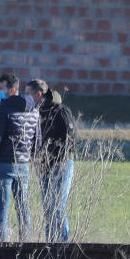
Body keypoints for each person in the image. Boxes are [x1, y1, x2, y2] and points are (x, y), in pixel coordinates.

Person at [0, 73, 41, 243]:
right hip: (23, 165)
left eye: (1, 89)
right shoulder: (33, 109)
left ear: (11, 90)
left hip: (4, 164)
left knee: (2, 208)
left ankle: (0, 248)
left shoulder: (4, 108)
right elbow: (37, 140)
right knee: (23, 207)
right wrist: (29, 157)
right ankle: (26, 244)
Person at [25, 79, 78, 243]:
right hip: (43, 167)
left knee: (57, 207)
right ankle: (50, 244)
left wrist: (56, 157)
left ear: (39, 94)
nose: (25, 97)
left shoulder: (60, 111)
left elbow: (72, 140)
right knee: (48, 209)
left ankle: (62, 245)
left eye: (28, 94)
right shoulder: (35, 114)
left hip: (60, 165)